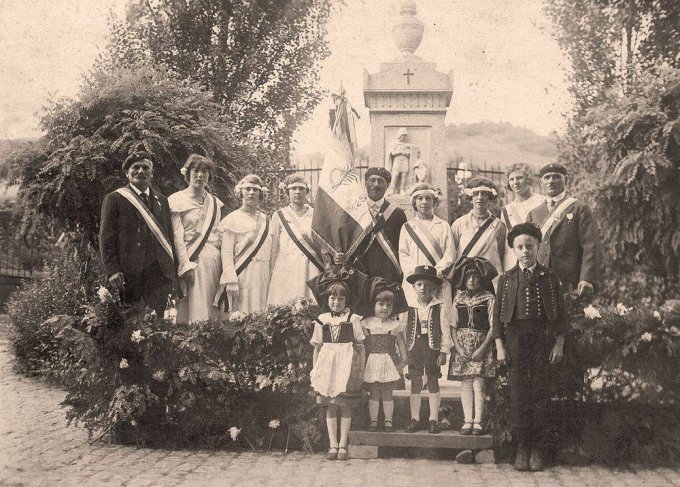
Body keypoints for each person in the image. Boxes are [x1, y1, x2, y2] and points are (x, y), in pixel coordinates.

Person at [494, 222, 567, 472]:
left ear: (538, 247)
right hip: (515, 340)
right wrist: (500, 347)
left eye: (530, 246)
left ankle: (537, 449)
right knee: (518, 394)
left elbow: (561, 315)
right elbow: (497, 318)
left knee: (539, 391)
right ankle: (522, 448)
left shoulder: (550, 277)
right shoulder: (506, 279)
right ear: (514, 251)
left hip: (542, 338)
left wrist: (558, 343)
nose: (525, 251)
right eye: (520, 247)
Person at [99, 151, 175, 317]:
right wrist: (112, 270)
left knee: (157, 322)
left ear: (152, 173)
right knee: (130, 322)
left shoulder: (161, 200)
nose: (141, 171)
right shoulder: (115, 199)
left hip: (158, 274)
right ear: (127, 173)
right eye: (135, 167)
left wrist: (171, 273)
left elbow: (168, 236)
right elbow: (106, 238)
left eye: (145, 167)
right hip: (128, 274)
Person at [309, 263, 366, 461]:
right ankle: (333, 444)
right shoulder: (321, 319)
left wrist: (360, 370)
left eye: (341, 298)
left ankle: (343, 444)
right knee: (331, 406)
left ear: (346, 300)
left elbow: (360, 346)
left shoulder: (353, 318)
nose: (336, 302)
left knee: (346, 405)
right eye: (333, 298)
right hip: (328, 368)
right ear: (327, 299)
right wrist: (315, 370)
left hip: (346, 366)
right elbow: (317, 347)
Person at [527, 163, 602, 299]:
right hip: (538, 281)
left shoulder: (579, 208)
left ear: (565, 180)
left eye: (556, 177)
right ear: (541, 182)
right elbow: (527, 248)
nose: (551, 181)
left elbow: (591, 245)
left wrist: (587, 278)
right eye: (547, 177)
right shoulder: (534, 214)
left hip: (569, 282)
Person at [168, 155, 224, 322]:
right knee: (191, 309)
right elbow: (177, 237)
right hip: (191, 261)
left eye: (204, 171)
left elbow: (218, 233)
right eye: (196, 171)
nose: (200, 175)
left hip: (213, 261)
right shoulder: (176, 200)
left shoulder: (215, 203)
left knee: (212, 308)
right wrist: (185, 266)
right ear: (188, 174)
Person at [447, 257, 497, 438]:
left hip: (481, 346)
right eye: (468, 277)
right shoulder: (458, 298)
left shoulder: (488, 298)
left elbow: (493, 326)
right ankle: (467, 420)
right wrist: (458, 348)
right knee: (466, 383)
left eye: (476, 277)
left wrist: (482, 348)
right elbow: (453, 326)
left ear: (481, 279)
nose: (472, 281)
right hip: (463, 346)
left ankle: (478, 421)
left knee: (478, 383)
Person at [402, 265, 452, 434]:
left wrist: (444, 352)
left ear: (434, 288)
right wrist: (403, 353)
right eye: (420, 284)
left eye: (428, 285)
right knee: (415, 381)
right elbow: (402, 330)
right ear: (414, 287)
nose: (423, 288)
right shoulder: (408, 307)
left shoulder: (440, 306)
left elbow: (445, 330)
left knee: (432, 380)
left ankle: (433, 419)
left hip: (432, 348)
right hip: (414, 348)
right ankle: (414, 418)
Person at [214, 174, 272, 314]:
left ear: (260, 193)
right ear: (241, 193)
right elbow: (226, 253)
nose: (251, 192)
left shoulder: (266, 220)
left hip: (262, 275)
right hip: (241, 274)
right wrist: (231, 280)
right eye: (247, 189)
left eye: (255, 189)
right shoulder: (232, 219)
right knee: (241, 314)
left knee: (260, 314)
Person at [360, 279, 409, 433]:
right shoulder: (366, 324)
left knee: (388, 392)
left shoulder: (394, 325)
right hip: (372, 362)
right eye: (381, 304)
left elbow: (402, 346)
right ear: (374, 305)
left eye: (389, 305)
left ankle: (388, 421)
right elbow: (361, 346)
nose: (385, 308)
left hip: (389, 362)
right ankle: (373, 421)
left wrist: (402, 363)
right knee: (373, 392)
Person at [267, 175, 323, 306]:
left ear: (307, 192)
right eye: (293, 189)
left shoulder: (315, 214)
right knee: (285, 305)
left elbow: (321, 244)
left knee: (309, 305)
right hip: (286, 267)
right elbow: (274, 247)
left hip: (310, 266)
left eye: (301, 189)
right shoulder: (279, 215)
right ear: (287, 192)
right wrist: (272, 272)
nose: (297, 192)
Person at [399, 183, 455, 309]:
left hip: (438, 281)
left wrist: (435, 274)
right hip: (415, 283)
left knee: (439, 318)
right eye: (420, 198)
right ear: (414, 203)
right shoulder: (407, 227)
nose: (424, 202)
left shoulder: (443, 225)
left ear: (434, 202)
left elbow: (450, 254)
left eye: (428, 198)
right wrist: (419, 276)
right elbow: (404, 254)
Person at [350, 167, 407, 285]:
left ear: (388, 185)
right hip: (360, 271)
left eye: (381, 181)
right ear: (365, 183)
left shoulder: (397, 213)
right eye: (372, 180)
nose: (376, 185)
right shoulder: (355, 211)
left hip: (388, 272)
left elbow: (402, 246)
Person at [450, 178, 506, 285]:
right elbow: (452, 252)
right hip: (467, 279)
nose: (480, 197)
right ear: (471, 198)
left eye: (484, 194)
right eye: (476, 194)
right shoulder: (459, 223)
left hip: (490, 279)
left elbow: (502, 252)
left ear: (489, 198)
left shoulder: (499, 225)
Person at [501, 163, 544, 271]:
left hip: (540, 258)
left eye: (519, 178)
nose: (515, 182)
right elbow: (507, 241)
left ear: (528, 179)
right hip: (516, 260)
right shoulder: (507, 209)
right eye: (512, 179)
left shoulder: (543, 202)